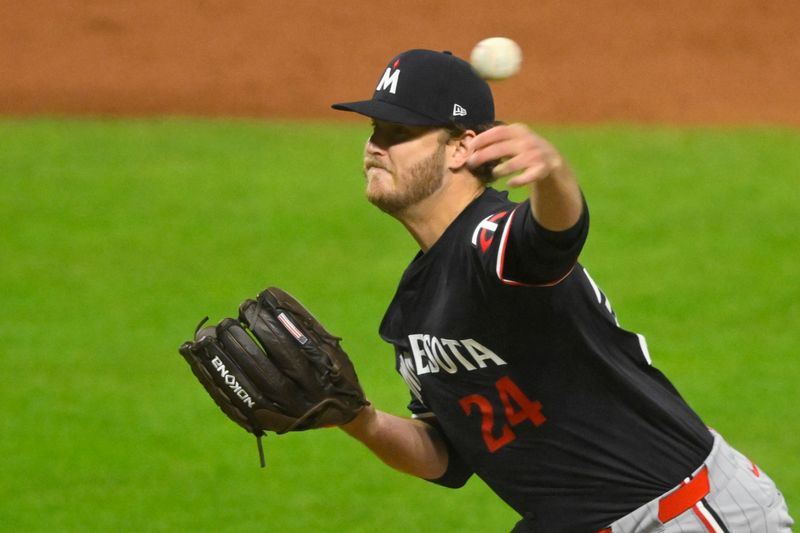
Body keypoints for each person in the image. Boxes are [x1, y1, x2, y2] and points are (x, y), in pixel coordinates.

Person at [330, 49, 793, 533]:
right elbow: (446, 456)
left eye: (399, 133)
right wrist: (360, 420)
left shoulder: (489, 240)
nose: (375, 147)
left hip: (678, 517)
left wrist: (552, 172)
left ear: (461, 148)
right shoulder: (411, 309)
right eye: (374, 131)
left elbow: (552, 236)